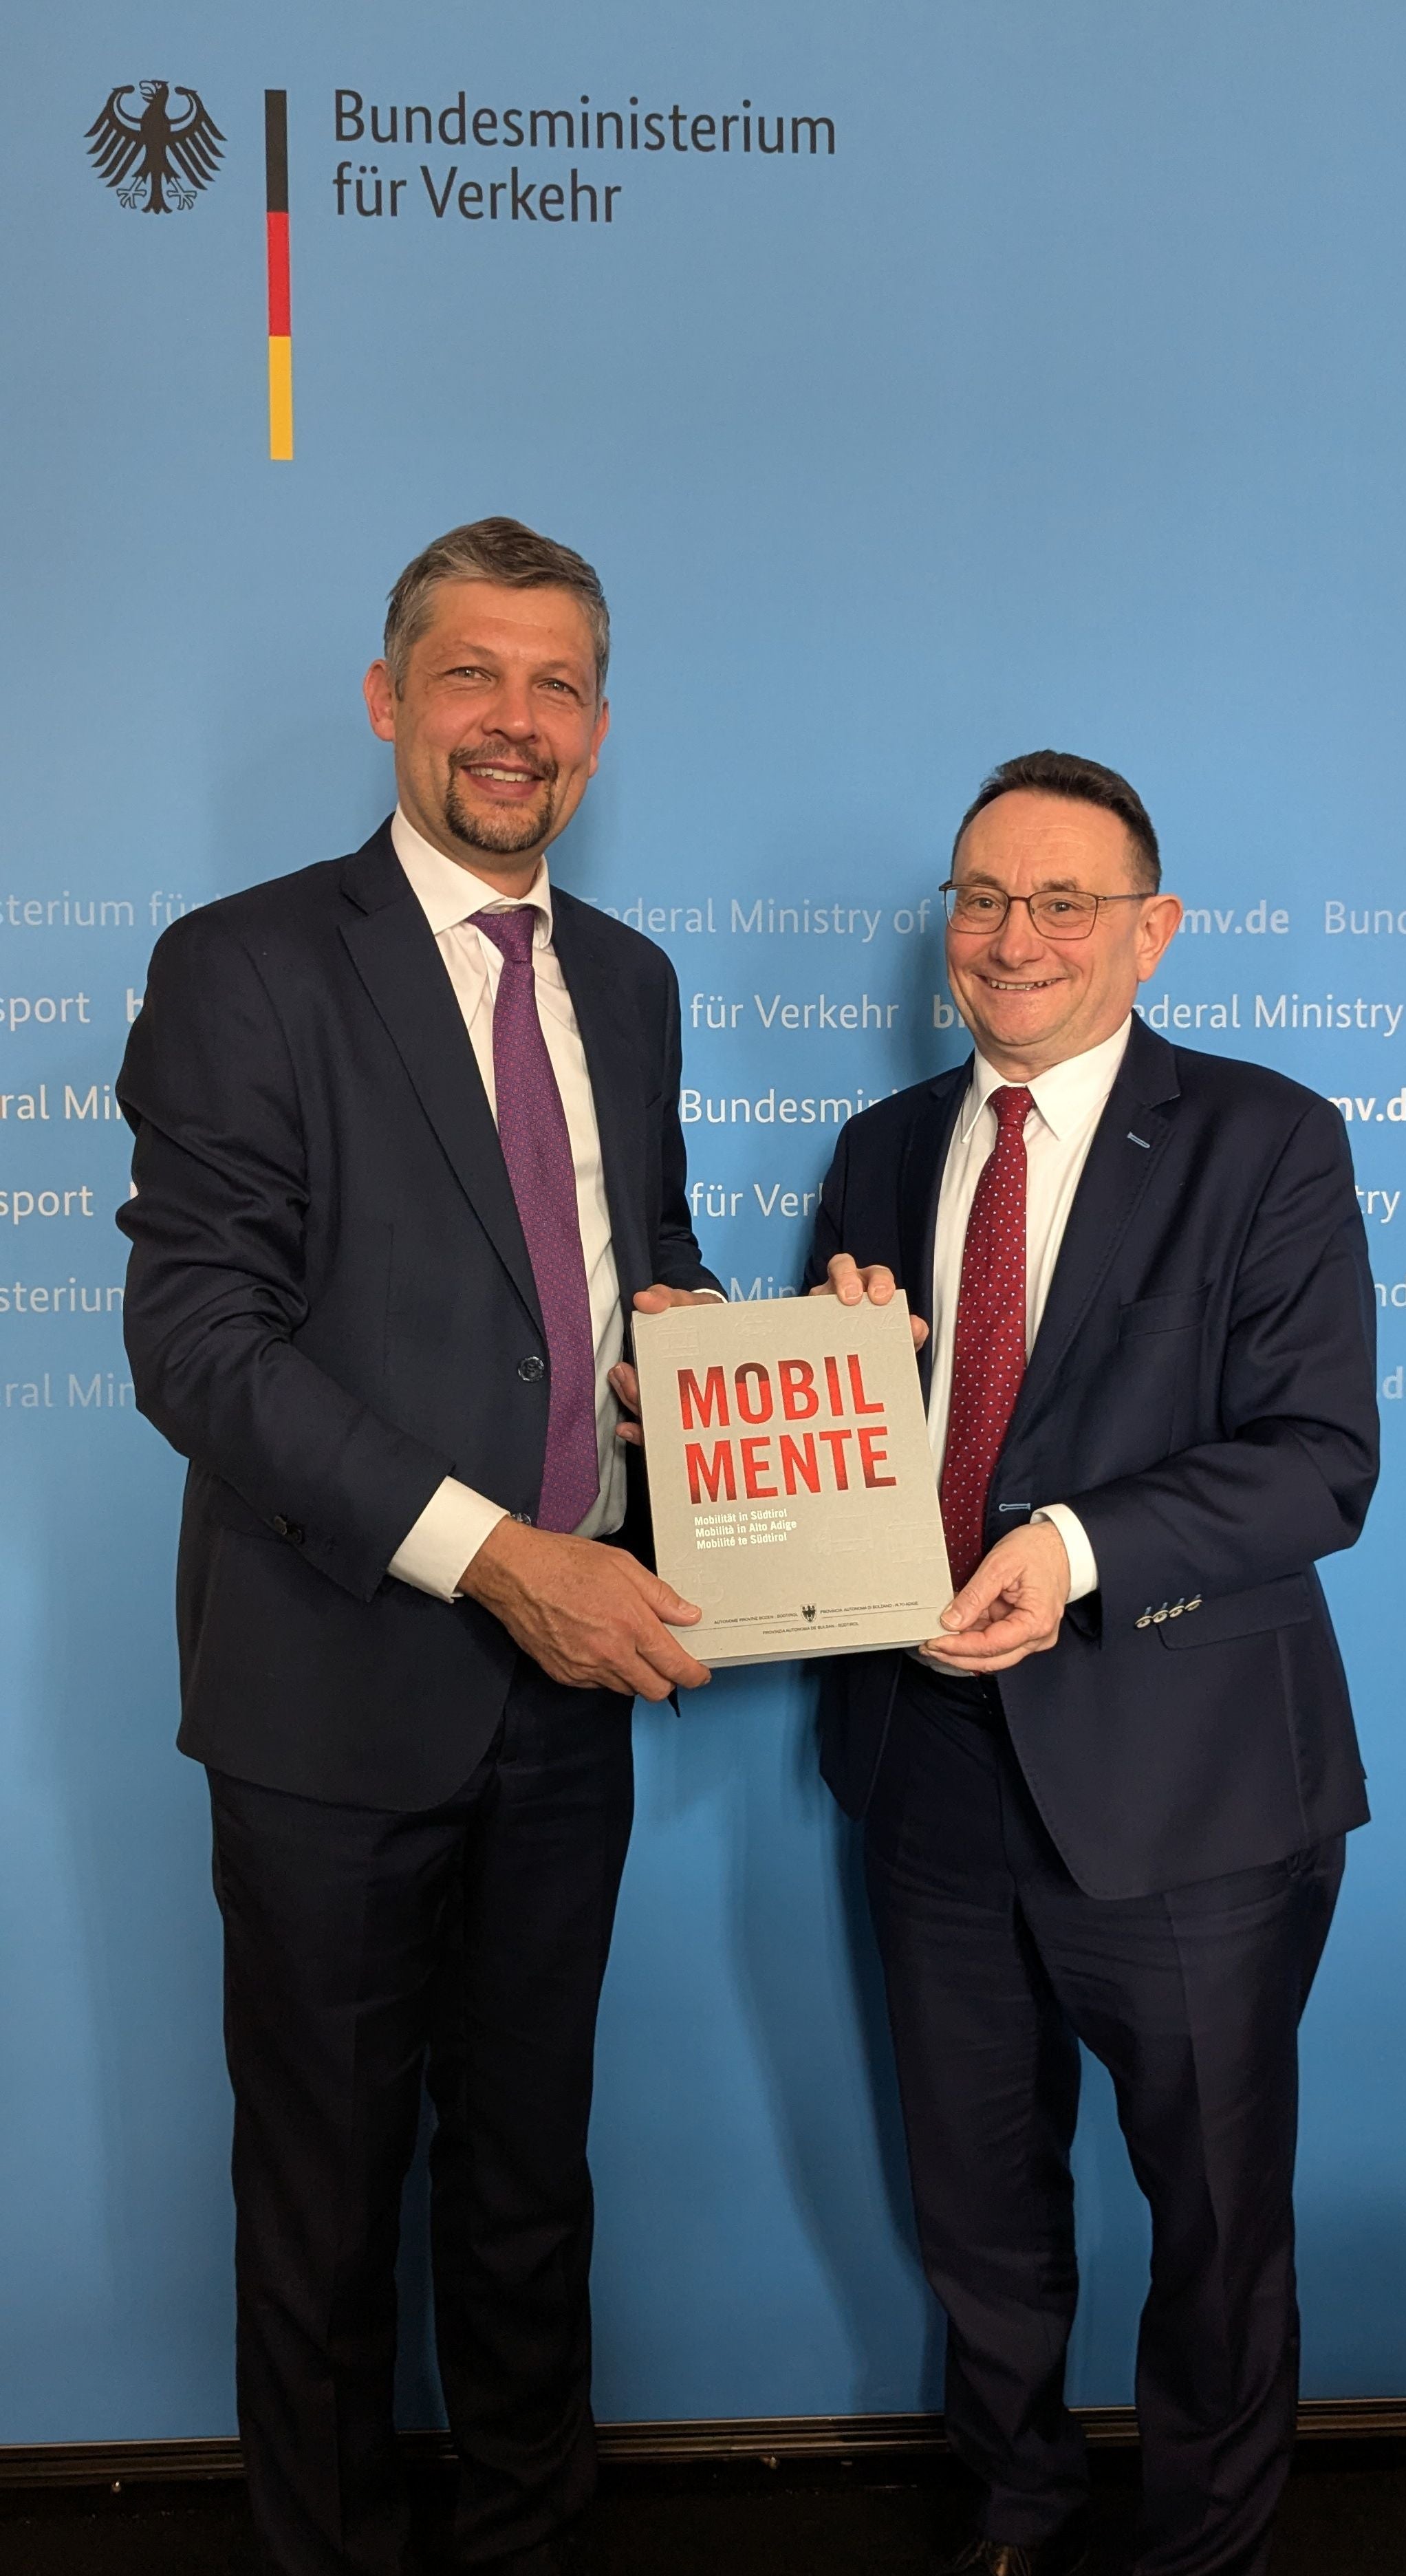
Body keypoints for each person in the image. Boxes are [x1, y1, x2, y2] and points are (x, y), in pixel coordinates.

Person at [116, 519, 723, 2576]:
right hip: (334, 1694)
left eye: (556, 685)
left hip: (574, 1698)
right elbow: (201, 1342)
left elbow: (634, 1269)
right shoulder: (249, 964)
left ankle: (529, 2541)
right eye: (472, 673)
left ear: (599, 728)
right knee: (323, 2206)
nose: (513, 721)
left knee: (530, 2187)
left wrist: (726, 1358)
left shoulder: (627, 982)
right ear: (389, 699)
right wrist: (494, 1556)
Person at [804, 750, 1378, 2576]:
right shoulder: (881, 1151)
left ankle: (1204, 2543)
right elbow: (836, 1454)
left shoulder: (1265, 1140)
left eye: (1064, 900)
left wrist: (1070, 1548)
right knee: (976, 2201)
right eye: (982, 897)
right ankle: (1016, 2504)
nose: (1014, 935)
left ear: (1151, 932)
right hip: (925, 1765)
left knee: (1214, 2216)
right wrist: (789, 1385)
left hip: (1186, 1782)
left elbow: (1318, 1461)